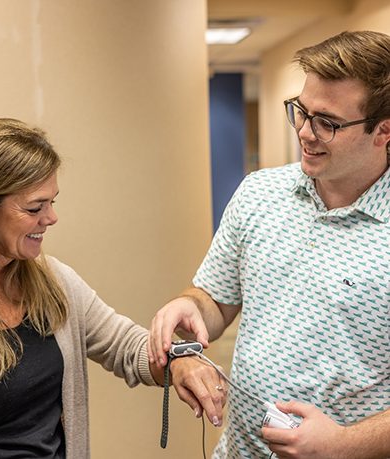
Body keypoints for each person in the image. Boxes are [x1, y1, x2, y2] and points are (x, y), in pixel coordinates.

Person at [148, 30, 390, 459]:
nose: (305, 132)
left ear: (383, 131)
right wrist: (190, 307)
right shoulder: (259, 193)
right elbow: (215, 303)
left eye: (327, 123)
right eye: (300, 111)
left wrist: (345, 444)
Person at [0, 118, 227, 459]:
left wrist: (179, 361)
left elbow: (124, 345)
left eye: (52, 201)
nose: (51, 217)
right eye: (35, 207)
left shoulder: (54, 281)